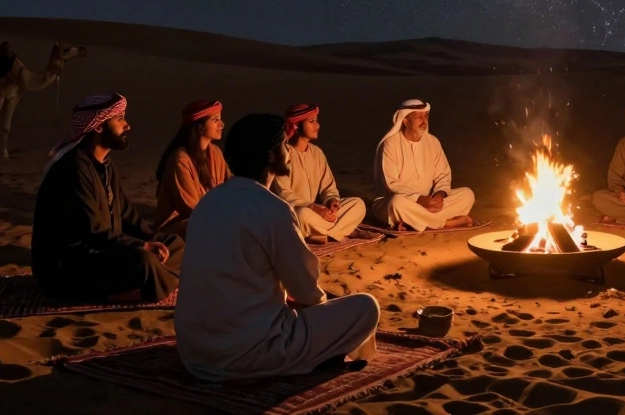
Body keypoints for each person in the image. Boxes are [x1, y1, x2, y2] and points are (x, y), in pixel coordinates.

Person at [175, 113, 380, 381]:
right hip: (252, 351)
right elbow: (306, 291)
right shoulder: (273, 208)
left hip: (195, 351)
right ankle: (327, 357)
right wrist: (317, 304)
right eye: (284, 145)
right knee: (366, 306)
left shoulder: (208, 202)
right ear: (272, 156)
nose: (288, 151)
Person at [32, 93, 183, 302]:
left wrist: (151, 241)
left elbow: (127, 216)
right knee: (144, 260)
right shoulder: (73, 169)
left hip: (106, 250)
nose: (127, 126)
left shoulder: (105, 165)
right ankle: (137, 290)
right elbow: (91, 231)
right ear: (98, 127)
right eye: (120, 119)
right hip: (72, 265)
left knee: (174, 244)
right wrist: (143, 247)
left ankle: (155, 282)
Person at [371, 99, 475, 231]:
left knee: (467, 194)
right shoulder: (390, 144)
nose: (424, 120)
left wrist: (439, 195)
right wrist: (419, 199)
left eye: (425, 115)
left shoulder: (433, 142)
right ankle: (445, 223)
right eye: (418, 116)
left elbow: (443, 175)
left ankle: (416, 221)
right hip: (401, 201)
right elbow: (391, 184)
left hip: (429, 201)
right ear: (405, 120)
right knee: (396, 203)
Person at [271, 103, 367, 243]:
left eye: (316, 121)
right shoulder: (283, 154)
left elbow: (328, 187)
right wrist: (313, 207)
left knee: (358, 204)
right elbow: (283, 194)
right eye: (312, 121)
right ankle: (337, 231)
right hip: (296, 212)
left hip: (319, 213)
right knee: (302, 215)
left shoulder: (317, 153)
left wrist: (332, 201)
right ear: (296, 126)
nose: (317, 125)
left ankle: (322, 233)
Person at [154, 99, 229, 238]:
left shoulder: (215, 152)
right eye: (215, 120)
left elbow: (229, 187)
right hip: (183, 224)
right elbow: (190, 207)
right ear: (199, 126)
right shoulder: (180, 159)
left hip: (209, 217)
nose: (222, 124)